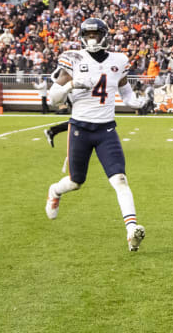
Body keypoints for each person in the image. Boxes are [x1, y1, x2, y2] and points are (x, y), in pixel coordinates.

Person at [44, 18, 147, 252]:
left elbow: (125, 89)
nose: (92, 39)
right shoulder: (73, 58)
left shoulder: (119, 60)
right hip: (80, 127)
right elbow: (53, 99)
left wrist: (137, 102)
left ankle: (131, 230)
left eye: (95, 35)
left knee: (120, 179)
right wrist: (71, 86)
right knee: (75, 181)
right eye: (88, 35)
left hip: (106, 129)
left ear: (104, 36)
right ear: (82, 36)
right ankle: (54, 191)